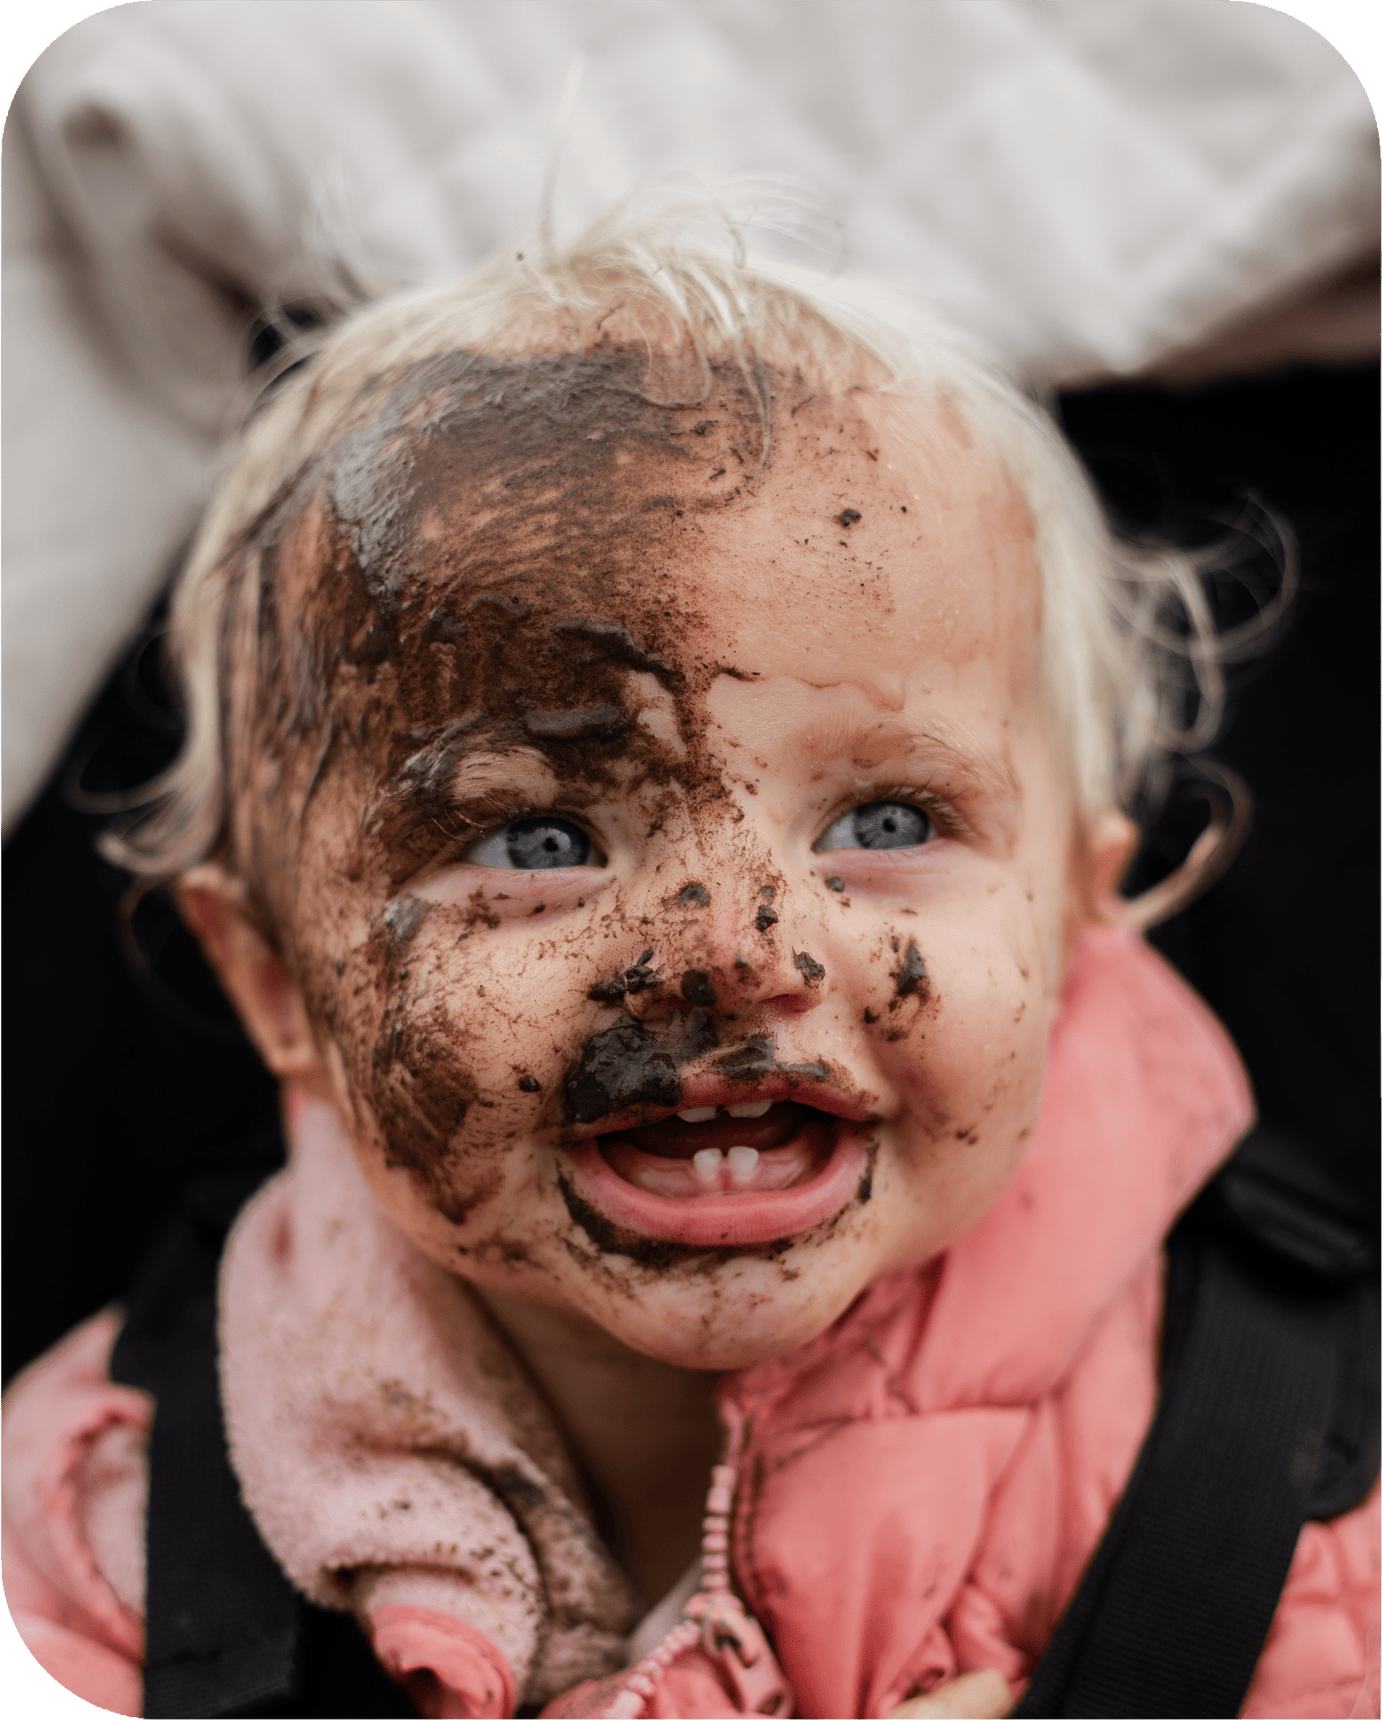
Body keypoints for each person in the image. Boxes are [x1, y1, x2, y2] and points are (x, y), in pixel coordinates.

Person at [2, 205, 1375, 1720]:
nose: (728, 956)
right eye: (537, 842)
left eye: (886, 816)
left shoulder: (1308, 1494)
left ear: (1074, 919)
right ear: (275, 987)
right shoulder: (95, 1537)